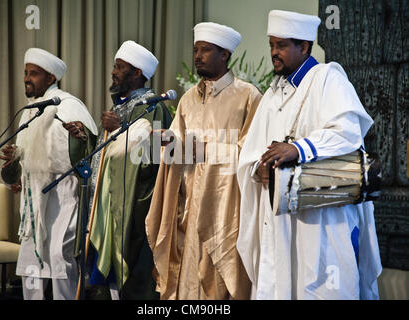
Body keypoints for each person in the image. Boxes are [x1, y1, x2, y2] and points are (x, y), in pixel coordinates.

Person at [237, 10, 382, 300]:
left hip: (323, 219)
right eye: (271, 45)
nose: (273, 53)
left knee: (321, 284)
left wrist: (298, 148)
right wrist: (258, 170)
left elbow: (347, 132)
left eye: (281, 46)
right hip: (280, 219)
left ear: (304, 46)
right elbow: (249, 153)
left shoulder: (327, 79)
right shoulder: (272, 94)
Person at [145, 22, 262, 300]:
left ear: (225, 55)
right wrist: (166, 142)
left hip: (225, 208)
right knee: (186, 282)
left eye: (206, 50)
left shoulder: (248, 96)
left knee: (221, 285)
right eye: (196, 50)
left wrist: (203, 150)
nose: (198, 56)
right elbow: (178, 149)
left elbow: (251, 152)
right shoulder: (187, 99)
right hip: (188, 205)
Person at [66, 40, 172, 300]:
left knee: (133, 280)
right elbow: (106, 155)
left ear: (137, 73)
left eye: (120, 67)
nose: (113, 72)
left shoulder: (153, 107)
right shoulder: (120, 107)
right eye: (115, 66)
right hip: (105, 206)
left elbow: (152, 157)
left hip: (134, 208)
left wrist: (121, 129)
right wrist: (84, 139)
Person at [0, 48, 98, 300]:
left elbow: (87, 153)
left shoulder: (69, 106)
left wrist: (79, 139)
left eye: (34, 73)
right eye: (25, 73)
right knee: (31, 260)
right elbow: (26, 155)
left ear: (51, 78)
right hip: (34, 197)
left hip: (63, 196)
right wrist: (16, 163)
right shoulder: (30, 110)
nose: (26, 79)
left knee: (59, 259)